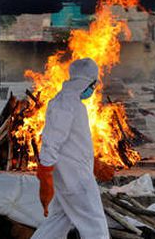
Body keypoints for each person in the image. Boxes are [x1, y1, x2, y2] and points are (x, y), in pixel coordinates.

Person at [32, 58, 110, 239]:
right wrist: (45, 172)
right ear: (89, 82)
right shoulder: (66, 104)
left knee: (60, 219)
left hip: (70, 173)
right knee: (95, 223)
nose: (94, 90)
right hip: (74, 176)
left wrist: (94, 163)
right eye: (94, 85)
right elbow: (52, 140)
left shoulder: (70, 102)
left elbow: (73, 142)